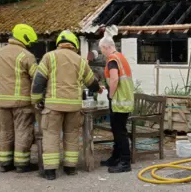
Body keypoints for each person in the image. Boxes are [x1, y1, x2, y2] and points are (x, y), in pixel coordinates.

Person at [31, 30, 100, 180]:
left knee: (51, 136)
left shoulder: (49, 57)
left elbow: (38, 81)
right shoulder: (80, 60)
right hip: (74, 107)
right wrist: (98, 87)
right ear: (74, 44)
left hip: (53, 107)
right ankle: (70, 168)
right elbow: (91, 83)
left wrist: (36, 100)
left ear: (59, 43)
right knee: (71, 136)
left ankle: (50, 171)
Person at [0, 24, 38, 173]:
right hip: (21, 101)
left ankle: (5, 163)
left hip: (3, 101)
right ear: (25, 37)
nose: (29, 45)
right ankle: (21, 164)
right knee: (22, 131)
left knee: (5, 131)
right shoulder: (26, 56)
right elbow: (37, 78)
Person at [98, 36, 135, 173]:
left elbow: (114, 80)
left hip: (119, 100)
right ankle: (116, 157)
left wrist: (110, 95)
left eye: (102, 49)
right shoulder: (121, 57)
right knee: (118, 130)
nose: (102, 52)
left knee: (119, 132)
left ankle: (125, 162)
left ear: (107, 47)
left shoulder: (112, 60)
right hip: (125, 99)